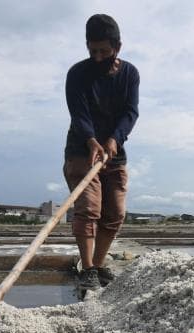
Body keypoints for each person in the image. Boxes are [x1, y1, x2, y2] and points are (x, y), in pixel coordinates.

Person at [64, 14, 139, 289]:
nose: (97, 57)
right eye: (92, 50)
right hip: (82, 150)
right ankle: (87, 269)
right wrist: (91, 140)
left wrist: (114, 139)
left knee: (115, 213)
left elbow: (131, 112)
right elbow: (79, 113)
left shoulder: (130, 74)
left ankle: (97, 264)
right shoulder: (77, 74)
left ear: (117, 47)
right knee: (88, 209)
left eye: (104, 51)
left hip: (114, 150)